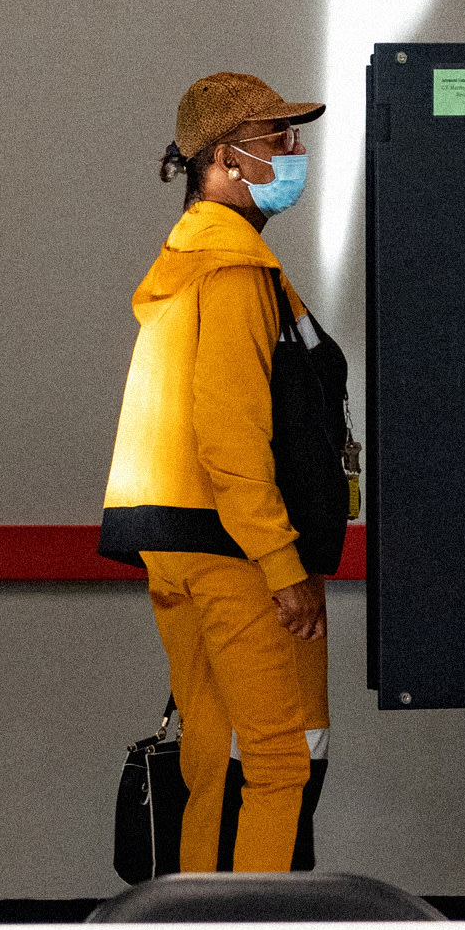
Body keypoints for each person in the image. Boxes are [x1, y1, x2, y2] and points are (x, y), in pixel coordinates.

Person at [99, 71, 352, 873]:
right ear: (223, 160)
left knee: (211, 753)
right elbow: (231, 432)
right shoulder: (235, 271)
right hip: (236, 549)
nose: (295, 151)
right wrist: (283, 563)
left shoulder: (184, 264)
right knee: (278, 762)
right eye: (277, 139)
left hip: (173, 543)